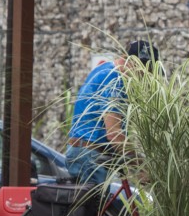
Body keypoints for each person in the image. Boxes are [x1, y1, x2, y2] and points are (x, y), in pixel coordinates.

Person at [64, 39, 158, 185]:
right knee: (95, 207)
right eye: (142, 70)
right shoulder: (115, 82)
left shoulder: (105, 69)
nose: (143, 76)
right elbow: (114, 134)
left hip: (86, 152)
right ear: (128, 61)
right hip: (91, 155)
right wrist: (140, 166)